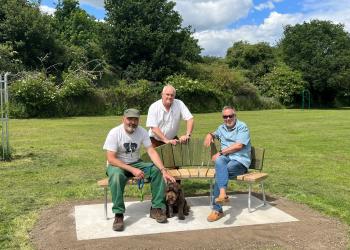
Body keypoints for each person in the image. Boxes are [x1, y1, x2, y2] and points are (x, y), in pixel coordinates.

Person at [103, 108, 176, 231]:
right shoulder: (114, 132)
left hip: (136, 163)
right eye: (129, 119)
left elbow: (151, 151)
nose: (132, 122)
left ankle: (156, 208)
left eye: (135, 119)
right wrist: (132, 170)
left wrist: (163, 169)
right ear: (123, 119)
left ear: (138, 121)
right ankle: (119, 214)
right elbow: (111, 158)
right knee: (116, 177)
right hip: (117, 165)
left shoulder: (142, 132)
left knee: (156, 171)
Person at [203, 106, 251, 222]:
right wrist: (209, 135)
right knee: (220, 162)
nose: (228, 118)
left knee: (220, 172)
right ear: (223, 118)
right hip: (226, 160)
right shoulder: (221, 128)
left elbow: (239, 146)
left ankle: (217, 210)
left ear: (235, 116)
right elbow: (215, 133)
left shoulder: (242, 127)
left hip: (240, 162)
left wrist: (220, 152)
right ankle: (223, 194)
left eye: (230, 116)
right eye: (225, 116)